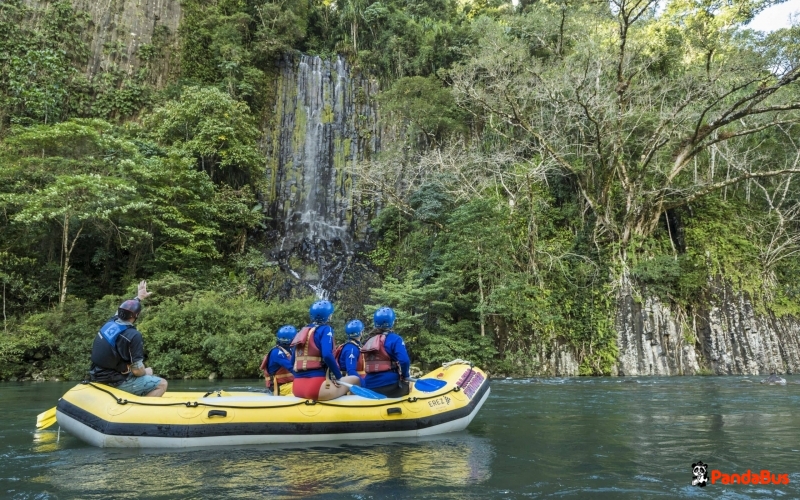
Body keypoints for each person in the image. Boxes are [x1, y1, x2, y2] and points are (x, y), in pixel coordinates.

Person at [89, 281, 167, 397]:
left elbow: (123, 311)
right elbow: (137, 371)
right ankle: (139, 406)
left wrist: (139, 297)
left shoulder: (111, 322)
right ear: (136, 316)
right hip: (113, 380)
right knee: (162, 384)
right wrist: (145, 372)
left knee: (149, 372)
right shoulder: (133, 335)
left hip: (96, 373)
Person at [291, 300, 361, 401]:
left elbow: (292, 362)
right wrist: (338, 377)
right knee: (356, 379)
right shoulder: (326, 329)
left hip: (297, 388)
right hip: (316, 387)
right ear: (328, 316)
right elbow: (327, 355)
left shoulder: (302, 332)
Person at [362, 307, 411, 397]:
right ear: (392, 322)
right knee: (411, 386)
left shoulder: (369, 340)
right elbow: (404, 361)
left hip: (369, 386)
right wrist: (405, 376)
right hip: (390, 386)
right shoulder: (396, 339)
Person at [260, 325, 296, 396]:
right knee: (305, 387)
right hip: (279, 388)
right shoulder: (276, 353)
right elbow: (292, 368)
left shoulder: (290, 350)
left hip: (289, 384)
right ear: (292, 339)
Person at [335, 319, 366, 386]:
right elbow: (351, 371)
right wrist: (364, 385)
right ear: (361, 333)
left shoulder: (354, 346)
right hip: (352, 385)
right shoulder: (351, 349)